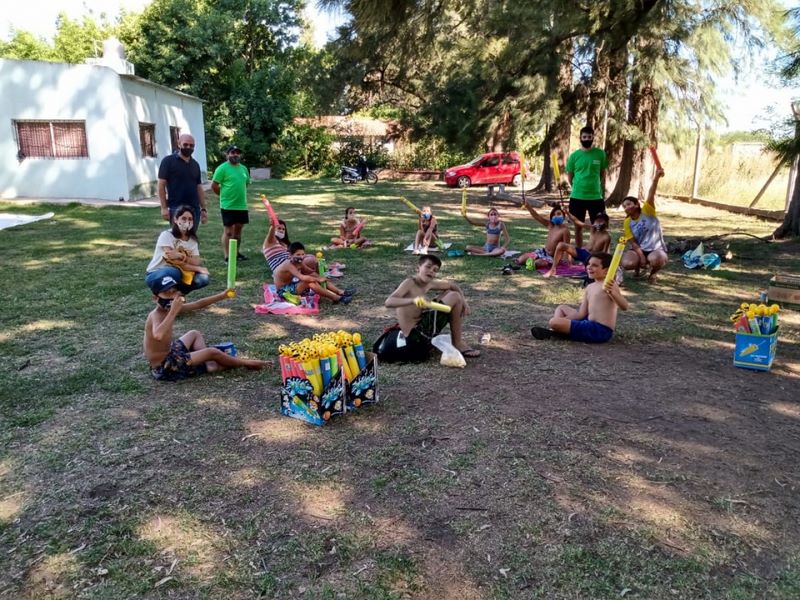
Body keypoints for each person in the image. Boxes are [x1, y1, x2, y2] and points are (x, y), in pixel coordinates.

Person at [144, 276, 271, 381]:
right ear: (156, 298)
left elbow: (198, 304)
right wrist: (173, 312)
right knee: (212, 352)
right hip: (165, 366)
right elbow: (158, 335)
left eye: (174, 291)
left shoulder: (170, 308)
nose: (172, 296)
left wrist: (222, 296)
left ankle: (208, 363)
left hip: (171, 352)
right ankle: (248, 363)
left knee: (194, 334)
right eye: (167, 293)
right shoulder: (155, 315)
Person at [378, 254, 480, 361]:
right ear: (418, 268)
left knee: (451, 293)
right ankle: (457, 343)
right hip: (415, 336)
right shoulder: (409, 282)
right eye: (428, 267)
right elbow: (389, 302)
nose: (431, 271)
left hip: (421, 326)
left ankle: (457, 341)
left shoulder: (428, 284)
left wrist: (464, 302)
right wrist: (413, 300)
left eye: (435, 270)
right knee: (454, 296)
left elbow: (451, 285)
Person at [530, 252, 628, 343]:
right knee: (562, 308)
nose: (589, 267)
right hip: (588, 322)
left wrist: (614, 294)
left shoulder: (609, 285)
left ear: (606, 271)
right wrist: (565, 322)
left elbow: (624, 306)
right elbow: (581, 314)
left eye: (595, 265)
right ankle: (559, 331)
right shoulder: (590, 287)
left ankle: (558, 331)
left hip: (600, 330)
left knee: (553, 321)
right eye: (589, 264)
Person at [144, 205, 209, 295]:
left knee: (203, 279)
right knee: (174, 271)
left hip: (179, 272)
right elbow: (173, 261)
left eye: (190, 219)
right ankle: (166, 297)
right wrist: (197, 268)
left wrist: (181, 256)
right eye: (183, 218)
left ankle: (177, 295)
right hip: (156, 273)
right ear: (176, 220)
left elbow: (196, 261)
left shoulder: (192, 240)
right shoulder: (166, 235)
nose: (187, 222)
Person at [620, 168, 668, 283]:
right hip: (639, 249)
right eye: (624, 206)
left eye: (628, 204)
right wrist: (641, 257)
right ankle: (637, 270)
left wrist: (656, 178)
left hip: (656, 249)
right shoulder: (627, 222)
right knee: (626, 263)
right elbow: (633, 242)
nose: (626, 207)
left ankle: (653, 274)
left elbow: (652, 193)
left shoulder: (647, 211)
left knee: (657, 259)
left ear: (636, 205)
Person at [566, 126, 608, 248]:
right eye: (584, 137)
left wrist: (594, 184)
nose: (587, 139)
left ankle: (593, 251)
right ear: (580, 138)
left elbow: (602, 173)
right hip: (577, 197)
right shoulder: (574, 156)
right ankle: (579, 252)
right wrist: (578, 186)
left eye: (589, 137)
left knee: (598, 226)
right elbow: (570, 176)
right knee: (578, 227)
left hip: (595, 197)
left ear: (593, 138)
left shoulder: (600, 154)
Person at [273, 242, 354, 304]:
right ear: (290, 255)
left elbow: (309, 271)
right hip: (283, 291)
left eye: (303, 254)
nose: (301, 257)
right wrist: (318, 280)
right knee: (309, 282)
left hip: (291, 285)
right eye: (298, 254)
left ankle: (340, 291)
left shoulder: (299, 262)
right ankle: (336, 298)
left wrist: (320, 273)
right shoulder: (288, 264)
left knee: (314, 276)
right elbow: (302, 277)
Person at [158, 133, 207, 230]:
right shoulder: (168, 161)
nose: (188, 147)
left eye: (191, 145)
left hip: (194, 209)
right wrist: (163, 208)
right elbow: (161, 185)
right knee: (177, 240)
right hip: (176, 208)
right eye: (185, 144)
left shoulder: (195, 165)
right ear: (179, 144)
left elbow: (199, 188)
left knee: (191, 239)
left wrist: (203, 209)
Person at [212, 144, 251, 263]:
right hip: (228, 205)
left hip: (241, 205)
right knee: (228, 231)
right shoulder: (222, 168)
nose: (235, 155)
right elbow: (214, 185)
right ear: (227, 154)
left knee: (238, 231)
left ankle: (236, 253)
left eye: (237, 153)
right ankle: (227, 256)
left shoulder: (244, 169)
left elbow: (246, 184)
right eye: (233, 153)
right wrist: (223, 196)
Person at [543, 211, 611, 278]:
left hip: (591, 258)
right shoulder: (592, 228)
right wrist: (567, 212)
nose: (599, 223)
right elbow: (577, 222)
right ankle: (553, 269)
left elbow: (604, 254)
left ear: (606, 223)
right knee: (561, 245)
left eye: (601, 221)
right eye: (597, 220)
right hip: (583, 252)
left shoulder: (606, 237)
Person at [516, 204, 570, 269]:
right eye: (554, 215)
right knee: (520, 260)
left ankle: (535, 262)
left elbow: (567, 247)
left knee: (538, 263)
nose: (556, 216)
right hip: (542, 252)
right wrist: (529, 207)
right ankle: (532, 260)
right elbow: (537, 217)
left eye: (558, 214)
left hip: (553, 257)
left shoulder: (565, 231)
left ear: (563, 216)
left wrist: (566, 260)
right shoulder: (550, 225)